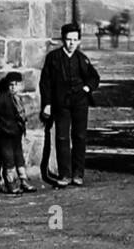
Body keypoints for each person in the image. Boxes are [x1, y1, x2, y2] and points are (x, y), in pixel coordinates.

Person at [39, 22, 101, 188]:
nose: (71, 43)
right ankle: (64, 174)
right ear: (62, 40)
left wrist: (87, 88)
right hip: (61, 104)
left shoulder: (82, 59)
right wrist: (47, 103)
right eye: (68, 39)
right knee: (62, 137)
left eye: (75, 40)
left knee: (80, 137)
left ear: (79, 41)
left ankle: (78, 174)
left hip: (80, 102)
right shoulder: (53, 58)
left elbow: (94, 77)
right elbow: (45, 82)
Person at [0, 72, 36, 194]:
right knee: (8, 159)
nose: (13, 87)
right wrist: (0, 129)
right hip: (5, 135)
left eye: (16, 85)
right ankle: (10, 183)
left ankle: (23, 180)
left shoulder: (17, 99)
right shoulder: (0, 99)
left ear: (21, 86)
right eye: (11, 85)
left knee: (19, 158)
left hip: (16, 134)